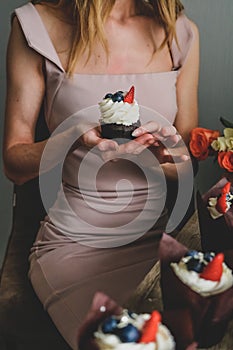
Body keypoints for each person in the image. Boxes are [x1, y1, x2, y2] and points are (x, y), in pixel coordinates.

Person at [3, 0, 199, 348]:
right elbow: (14, 165)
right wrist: (70, 134)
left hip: (157, 241)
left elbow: (187, 163)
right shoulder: (35, 27)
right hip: (73, 245)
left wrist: (166, 155)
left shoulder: (180, 33)